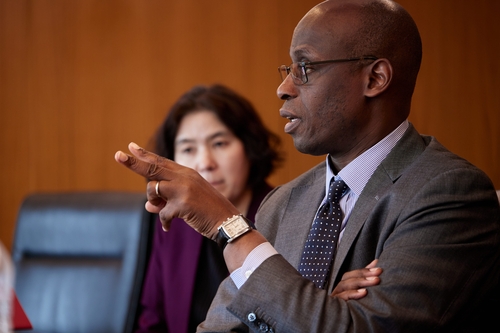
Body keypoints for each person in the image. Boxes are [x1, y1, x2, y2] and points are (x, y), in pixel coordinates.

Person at [116, 0, 500, 332]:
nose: (284, 88)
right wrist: (319, 309)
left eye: (306, 67)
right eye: (289, 69)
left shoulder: (451, 193)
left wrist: (228, 225)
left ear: (375, 78)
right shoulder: (283, 203)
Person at [134, 84, 281, 332]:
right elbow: (152, 320)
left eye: (220, 144)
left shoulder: (287, 212)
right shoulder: (171, 223)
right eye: (188, 149)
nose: (204, 163)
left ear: (249, 147)